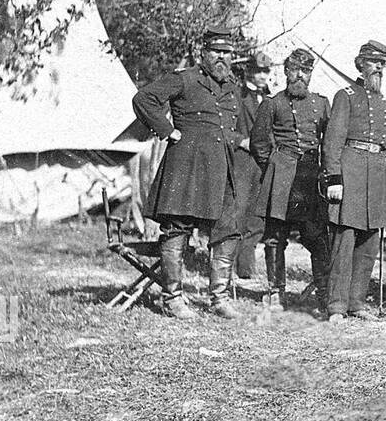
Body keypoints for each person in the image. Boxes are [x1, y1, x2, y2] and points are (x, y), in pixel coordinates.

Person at [132, 26, 245, 319]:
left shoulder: (232, 86)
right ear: (203, 53)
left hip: (221, 168)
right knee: (176, 230)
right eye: (216, 52)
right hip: (187, 166)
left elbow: (227, 128)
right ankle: (173, 299)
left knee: (228, 229)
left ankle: (219, 298)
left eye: (226, 53)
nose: (222, 58)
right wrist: (168, 130)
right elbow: (144, 99)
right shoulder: (184, 79)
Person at [321, 40, 386, 322]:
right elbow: (333, 141)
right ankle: (337, 306)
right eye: (373, 62)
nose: (379, 68)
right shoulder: (345, 95)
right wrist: (334, 178)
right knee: (344, 243)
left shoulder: (383, 101)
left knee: (369, 244)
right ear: (360, 64)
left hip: (377, 173)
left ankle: (357, 302)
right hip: (351, 170)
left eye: (383, 63)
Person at [248, 48, 331, 313]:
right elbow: (259, 143)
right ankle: (275, 292)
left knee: (317, 237)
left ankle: (324, 293)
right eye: (295, 69)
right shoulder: (273, 103)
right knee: (275, 237)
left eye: (305, 71)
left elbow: (329, 141)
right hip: (282, 176)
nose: (299, 75)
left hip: (310, 178)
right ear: (285, 71)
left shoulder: (321, 103)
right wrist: (274, 168)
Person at [234, 50, 273, 279]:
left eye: (265, 71)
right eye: (258, 70)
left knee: (258, 217)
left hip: (262, 163)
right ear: (248, 70)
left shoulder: (269, 99)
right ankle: (230, 264)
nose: (262, 75)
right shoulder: (237, 96)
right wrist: (242, 140)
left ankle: (246, 268)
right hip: (242, 161)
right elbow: (225, 128)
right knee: (238, 213)